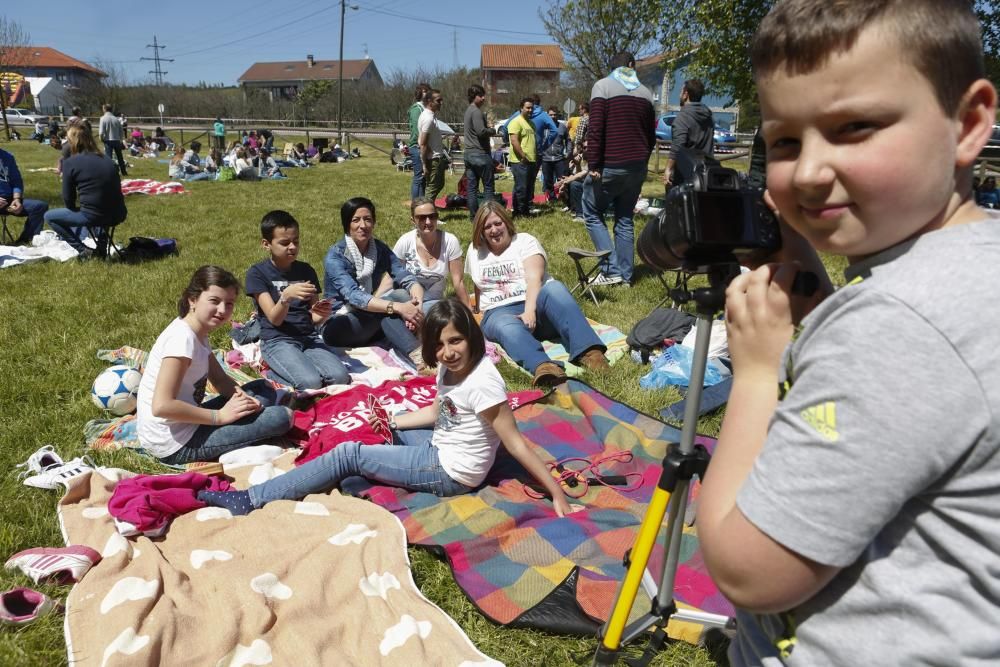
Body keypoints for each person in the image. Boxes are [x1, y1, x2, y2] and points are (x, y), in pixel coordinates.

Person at [697, 2, 1000, 666]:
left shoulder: (893, 329)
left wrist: (754, 372)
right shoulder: (971, 271)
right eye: (783, 141)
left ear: (969, 123)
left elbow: (748, 569)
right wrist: (810, 282)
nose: (807, 172)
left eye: (854, 127)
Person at [196, 298, 573, 517]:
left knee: (348, 454)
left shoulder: (484, 382)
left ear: (472, 337)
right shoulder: (450, 367)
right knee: (382, 431)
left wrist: (556, 493)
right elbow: (439, 413)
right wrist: (393, 418)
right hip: (439, 447)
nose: (448, 352)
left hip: (451, 472)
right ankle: (357, 469)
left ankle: (250, 499)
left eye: (456, 341)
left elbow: (517, 443)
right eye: (439, 346)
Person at [136, 266, 295, 465]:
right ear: (192, 300)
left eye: (229, 304)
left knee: (261, 390)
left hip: (186, 421)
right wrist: (219, 417)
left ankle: (241, 431)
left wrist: (243, 400)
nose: (222, 310)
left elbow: (219, 379)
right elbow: (161, 406)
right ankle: (233, 453)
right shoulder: (182, 340)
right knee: (282, 418)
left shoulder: (198, 331)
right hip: (175, 444)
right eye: (214, 301)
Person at [466, 201, 610, 387]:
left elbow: (535, 278)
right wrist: (477, 307)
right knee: (505, 325)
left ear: (506, 222)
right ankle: (544, 367)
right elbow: (478, 282)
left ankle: (591, 353)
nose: (494, 230)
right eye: (487, 226)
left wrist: (529, 310)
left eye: (498, 223)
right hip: (500, 311)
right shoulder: (475, 250)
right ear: (481, 231)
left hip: (538, 304)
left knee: (555, 288)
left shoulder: (525, 241)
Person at [246, 210, 349, 390]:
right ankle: (270, 373)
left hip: (308, 337)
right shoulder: (257, 273)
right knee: (311, 382)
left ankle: (293, 367)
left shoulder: (306, 270)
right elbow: (274, 319)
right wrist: (285, 296)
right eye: (284, 243)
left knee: (340, 377)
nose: (292, 247)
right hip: (277, 340)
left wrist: (322, 314)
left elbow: (313, 318)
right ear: (266, 244)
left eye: (296, 241)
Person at [320, 197, 427, 370]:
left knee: (402, 295)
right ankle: (420, 357)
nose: (363, 225)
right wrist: (398, 308)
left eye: (368, 219)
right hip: (338, 324)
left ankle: (409, 330)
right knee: (386, 310)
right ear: (347, 224)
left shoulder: (378, 249)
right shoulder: (335, 257)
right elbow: (354, 297)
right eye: (356, 220)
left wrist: (417, 307)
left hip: (365, 320)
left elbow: (405, 276)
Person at [583, 52, 655, 288]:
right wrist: (642, 159)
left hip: (610, 165)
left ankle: (611, 269)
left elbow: (595, 129)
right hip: (637, 166)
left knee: (592, 212)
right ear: (632, 66)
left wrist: (593, 163)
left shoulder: (602, 86)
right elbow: (651, 136)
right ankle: (625, 276)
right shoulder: (646, 93)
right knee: (624, 218)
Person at [44, 124, 127, 258]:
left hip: (94, 215)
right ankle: (102, 246)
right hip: (119, 213)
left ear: (72, 141)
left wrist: (75, 208)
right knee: (102, 204)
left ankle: (83, 250)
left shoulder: (70, 163)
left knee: (49, 216)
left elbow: (68, 198)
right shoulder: (107, 159)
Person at [393, 197, 470, 314]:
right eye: (422, 218)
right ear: (413, 220)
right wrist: (377, 299)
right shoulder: (405, 241)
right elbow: (392, 276)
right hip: (406, 299)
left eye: (432, 216)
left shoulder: (449, 241)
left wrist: (469, 313)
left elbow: (458, 282)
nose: (428, 222)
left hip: (433, 303)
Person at [663, 79, 715, 188]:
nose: (679, 95)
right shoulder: (708, 116)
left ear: (686, 94)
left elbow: (678, 145)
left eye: (681, 91)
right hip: (707, 173)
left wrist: (668, 169)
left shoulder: (683, 117)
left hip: (685, 176)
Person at [0, 147, 49, 245]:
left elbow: (16, 180)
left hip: (9, 200)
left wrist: (17, 198)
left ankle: (25, 241)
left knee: (39, 207)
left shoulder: (7, 156)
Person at [463, 84, 495, 220]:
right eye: (480, 95)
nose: (483, 98)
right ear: (473, 96)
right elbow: (481, 132)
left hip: (469, 154)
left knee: (471, 188)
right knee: (488, 187)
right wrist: (492, 130)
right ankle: (488, 216)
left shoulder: (468, 111)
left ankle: (473, 216)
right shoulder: (476, 111)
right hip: (480, 154)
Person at [507, 98, 538, 218]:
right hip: (520, 161)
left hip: (531, 160)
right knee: (521, 188)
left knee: (528, 188)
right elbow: (514, 141)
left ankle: (524, 211)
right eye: (528, 107)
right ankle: (519, 213)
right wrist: (523, 156)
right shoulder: (515, 122)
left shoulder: (531, 123)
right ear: (521, 108)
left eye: (532, 108)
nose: (530, 110)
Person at [418, 89, 447, 203]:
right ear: (430, 101)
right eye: (438, 100)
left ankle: (428, 211)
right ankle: (425, 214)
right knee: (432, 187)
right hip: (433, 159)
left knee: (438, 185)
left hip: (436, 157)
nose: (441, 103)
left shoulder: (430, 116)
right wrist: (424, 164)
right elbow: (423, 143)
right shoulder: (428, 118)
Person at [540, 107, 570, 201]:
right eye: (551, 114)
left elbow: (568, 140)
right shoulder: (543, 127)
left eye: (555, 114)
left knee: (563, 180)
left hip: (559, 158)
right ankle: (552, 198)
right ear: (547, 115)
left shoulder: (562, 127)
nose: (553, 116)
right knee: (548, 180)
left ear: (558, 115)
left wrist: (568, 152)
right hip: (546, 158)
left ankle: (565, 198)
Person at [407, 82, 431, 200]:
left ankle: (421, 201)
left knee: (423, 177)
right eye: (425, 91)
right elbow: (418, 131)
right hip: (416, 146)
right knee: (418, 177)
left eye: (428, 91)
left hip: (422, 146)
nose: (427, 93)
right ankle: (415, 204)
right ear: (419, 93)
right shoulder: (416, 109)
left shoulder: (424, 108)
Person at [98, 104, 128, 176]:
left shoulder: (103, 118)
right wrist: (120, 139)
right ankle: (123, 171)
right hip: (117, 139)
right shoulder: (116, 119)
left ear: (105, 109)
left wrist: (101, 138)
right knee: (120, 157)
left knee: (109, 158)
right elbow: (121, 131)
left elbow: (101, 132)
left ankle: (110, 172)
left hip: (108, 140)